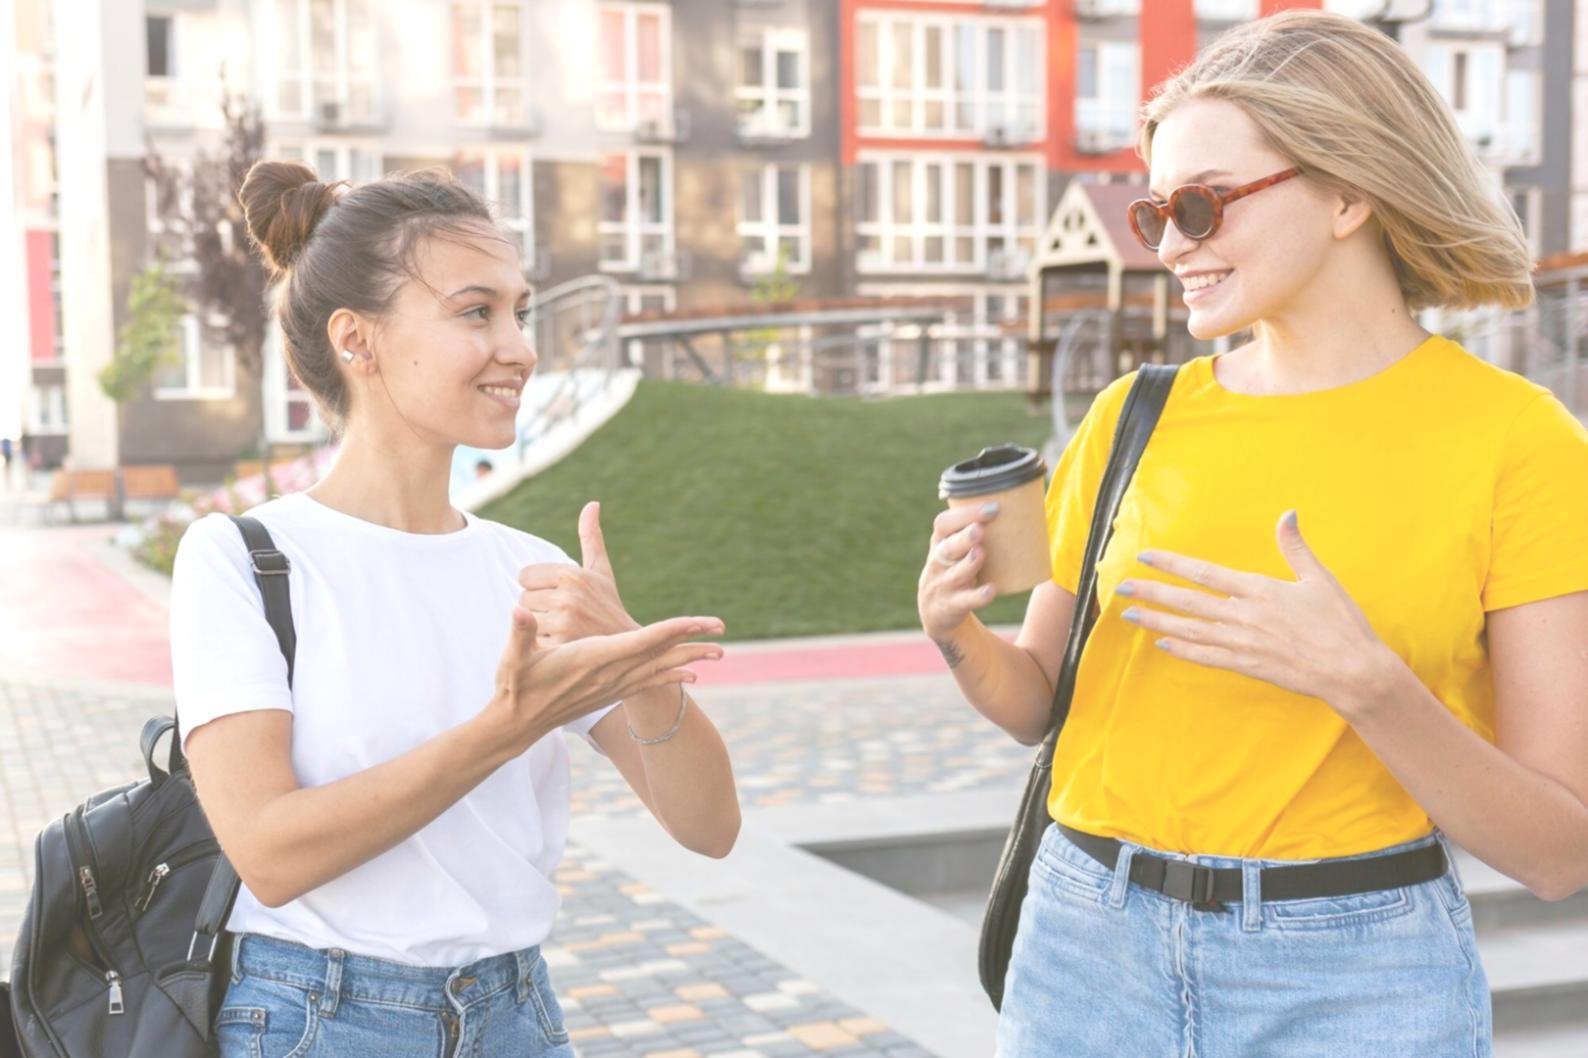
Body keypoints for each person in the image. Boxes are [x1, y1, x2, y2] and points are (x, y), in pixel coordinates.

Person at [918, 12, 1588, 1056]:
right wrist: (958, 633)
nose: (1173, 246)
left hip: (1355, 973)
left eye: (1201, 205)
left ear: (1348, 193)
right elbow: (1033, 702)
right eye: (1155, 214)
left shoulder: (1517, 443)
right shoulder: (1130, 416)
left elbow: (1559, 851)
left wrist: (1363, 682)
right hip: (1084, 941)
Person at [172, 161, 741, 1058]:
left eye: (520, 310)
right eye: (477, 313)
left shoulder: (531, 570)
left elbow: (710, 830)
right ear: (357, 340)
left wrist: (639, 672)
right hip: (318, 1019)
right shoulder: (244, 561)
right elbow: (269, 854)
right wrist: (507, 728)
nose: (519, 346)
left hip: (519, 1015)